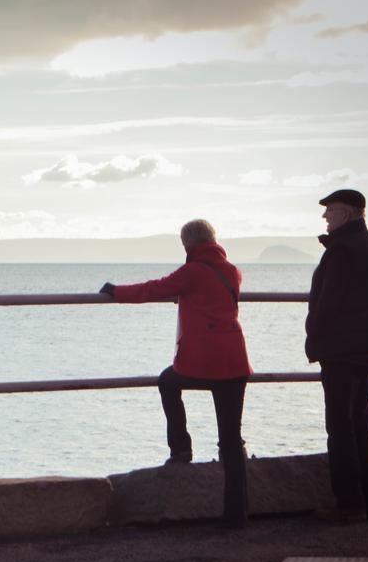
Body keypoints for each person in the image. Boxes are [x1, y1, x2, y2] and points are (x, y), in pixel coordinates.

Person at [99, 219, 253, 528]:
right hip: (234, 360)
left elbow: (154, 288)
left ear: (187, 245)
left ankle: (181, 449)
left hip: (204, 361)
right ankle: (237, 515)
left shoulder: (192, 272)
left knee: (168, 382)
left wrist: (115, 291)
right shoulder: (233, 271)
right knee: (231, 439)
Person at [305, 188, 368, 522]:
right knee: (361, 424)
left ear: (351, 213)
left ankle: (349, 504)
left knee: (339, 426)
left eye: (331, 210)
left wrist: (313, 334)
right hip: (366, 348)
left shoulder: (341, 250)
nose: (325, 216)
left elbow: (329, 301)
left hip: (340, 349)